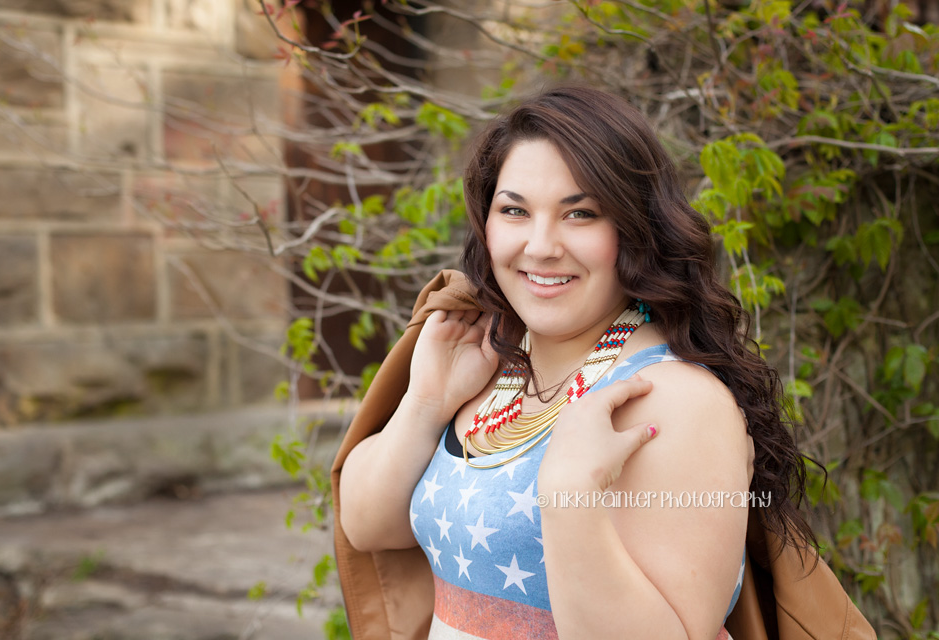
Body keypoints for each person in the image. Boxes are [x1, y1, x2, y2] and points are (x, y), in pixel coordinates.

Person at [333, 85, 872, 640]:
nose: (541, 246)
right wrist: (426, 403)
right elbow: (367, 526)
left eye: (581, 213)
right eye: (514, 210)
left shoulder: (674, 402)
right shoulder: (491, 365)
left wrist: (570, 496)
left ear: (636, 229)